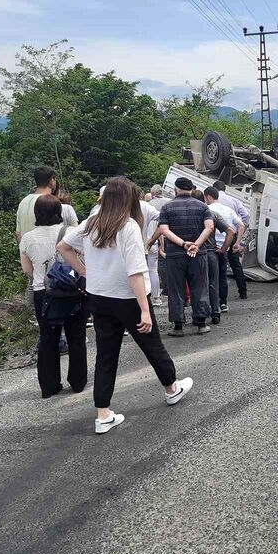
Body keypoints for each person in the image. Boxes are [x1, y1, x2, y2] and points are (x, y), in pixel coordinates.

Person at [57, 177, 193, 435]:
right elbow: (135, 271)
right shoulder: (128, 226)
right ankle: (171, 389)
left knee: (106, 356)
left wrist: (86, 273)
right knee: (152, 346)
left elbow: (63, 247)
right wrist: (144, 308)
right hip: (128, 298)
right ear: (129, 199)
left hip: (99, 298)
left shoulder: (91, 222)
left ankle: (103, 414)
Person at [19, 195, 87, 398]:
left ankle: (49, 386)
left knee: (48, 339)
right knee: (76, 337)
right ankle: (77, 382)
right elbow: (84, 259)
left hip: (44, 293)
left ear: (36, 213)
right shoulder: (72, 232)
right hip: (73, 291)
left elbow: (26, 269)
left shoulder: (27, 238)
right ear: (60, 212)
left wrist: (43, 278)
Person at [154, 177, 214, 336]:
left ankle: (178, 326)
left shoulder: (167, 207)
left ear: (176, 189)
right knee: (200, 287)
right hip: (198, 254)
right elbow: (209, 227)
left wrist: (183, 244)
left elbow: (164, 230)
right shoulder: (203, 206)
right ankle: (201, 323)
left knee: (176, 289)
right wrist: (196, 244)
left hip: (175, 254)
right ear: (192, 189)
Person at [193, 189, 234, 324]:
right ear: (204, 199)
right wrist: (223, 249)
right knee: (213, 284)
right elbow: (230, 231)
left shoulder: (189, 214)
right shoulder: (213, 214)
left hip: (195, 253)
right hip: (211, 253)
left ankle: (199, 314)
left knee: (197, 286)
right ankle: (215, 313)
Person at [203, 187, 244, 313]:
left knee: (209, 278)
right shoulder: (229, 210)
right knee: (222, 276)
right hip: (224, 248)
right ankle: (223, 303)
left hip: (210, 248)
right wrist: (236, 243)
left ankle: (211, 305)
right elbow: (241, 225)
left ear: (208, 197)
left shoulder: (207, 210)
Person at [213, 180, 249, 300]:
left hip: (216, 238)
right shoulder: (234, 200)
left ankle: (218, 295)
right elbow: (246, 215)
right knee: (235, 264)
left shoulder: (210, 204)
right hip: (232, 236)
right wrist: (241, 231)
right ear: (225, 189)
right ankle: (242, 291)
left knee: (217, 267)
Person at [16, 166, 58, 242]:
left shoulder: (23, 201)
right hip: (46, 251)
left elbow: (18, 233)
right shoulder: (50, 202)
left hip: (26, 250)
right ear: (52, 180)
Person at [149, 185, 170, 296]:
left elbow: (157, 225)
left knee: (161, 263)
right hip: (171, 235)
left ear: (153, 194)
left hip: (158, 235)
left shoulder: (150, 205)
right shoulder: (169, 202)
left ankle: (166, 287)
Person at [139, 198, 161, 306]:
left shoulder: (130, 206)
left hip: (140, 243)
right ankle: (156, 297)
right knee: (153, 270)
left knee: (140, 271)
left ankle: (143, 296)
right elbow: (162, 222)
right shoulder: (149, 209)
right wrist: (153, 239)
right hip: (153, 243)